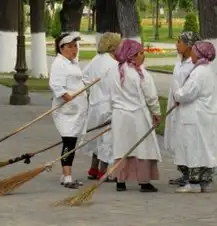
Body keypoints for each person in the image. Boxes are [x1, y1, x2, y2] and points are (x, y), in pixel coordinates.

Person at [110, 39, 162, 192]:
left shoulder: (115, 71)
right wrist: (156, 112)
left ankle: (120, 180)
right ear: (131, 55)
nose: (143, 56)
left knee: (122, 147)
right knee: (142, 147)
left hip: (119, 116)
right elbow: (150, 95)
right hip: (137, 116)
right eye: (140, 53)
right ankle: (143, 181)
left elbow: (108, 94)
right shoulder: (140, 73)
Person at [170, 41, 217, 193]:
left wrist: (176, 95)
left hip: (196, 117)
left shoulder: (199, 72)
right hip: (205, 116)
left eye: (193, 51)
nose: (191, 53)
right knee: (204, 148)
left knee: (194, 148)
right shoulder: (207, 70)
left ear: (198, 54)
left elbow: (187, 93)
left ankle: (193, 183)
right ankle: (204, 181)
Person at [49, 33, 88, 189]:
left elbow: (77, 80)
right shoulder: (59, 63)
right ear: (61, 48)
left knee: (72, 142)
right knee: (69, 142)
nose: (74, 49)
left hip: (77, 109)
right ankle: (67, 177)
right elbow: (55, 84)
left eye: (75, 46)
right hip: (66, 110)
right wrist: (66, 96)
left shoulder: (72, 63)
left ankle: (65, 173)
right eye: (70, 46)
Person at [82, 32, 121, 182]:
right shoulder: (114, 65)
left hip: (95, 104)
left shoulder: (96, 59)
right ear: (114, 47)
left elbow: (84, 76)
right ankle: (103, 171)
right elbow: (116, 87)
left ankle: (93, 168)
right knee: (107, 138)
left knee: (96, 136)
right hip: (107, 105)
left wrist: (93, 90)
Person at [165, 31, 201, 187]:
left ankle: (191, 174)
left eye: (179, 42)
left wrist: (181, 97)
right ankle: (184, 172)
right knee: (176, 140)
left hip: (187, 106)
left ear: (189, 45)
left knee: (186, 140)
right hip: (175, 105)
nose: (176, 45)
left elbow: (192, 88)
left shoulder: (194, 64)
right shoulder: (179, 60)